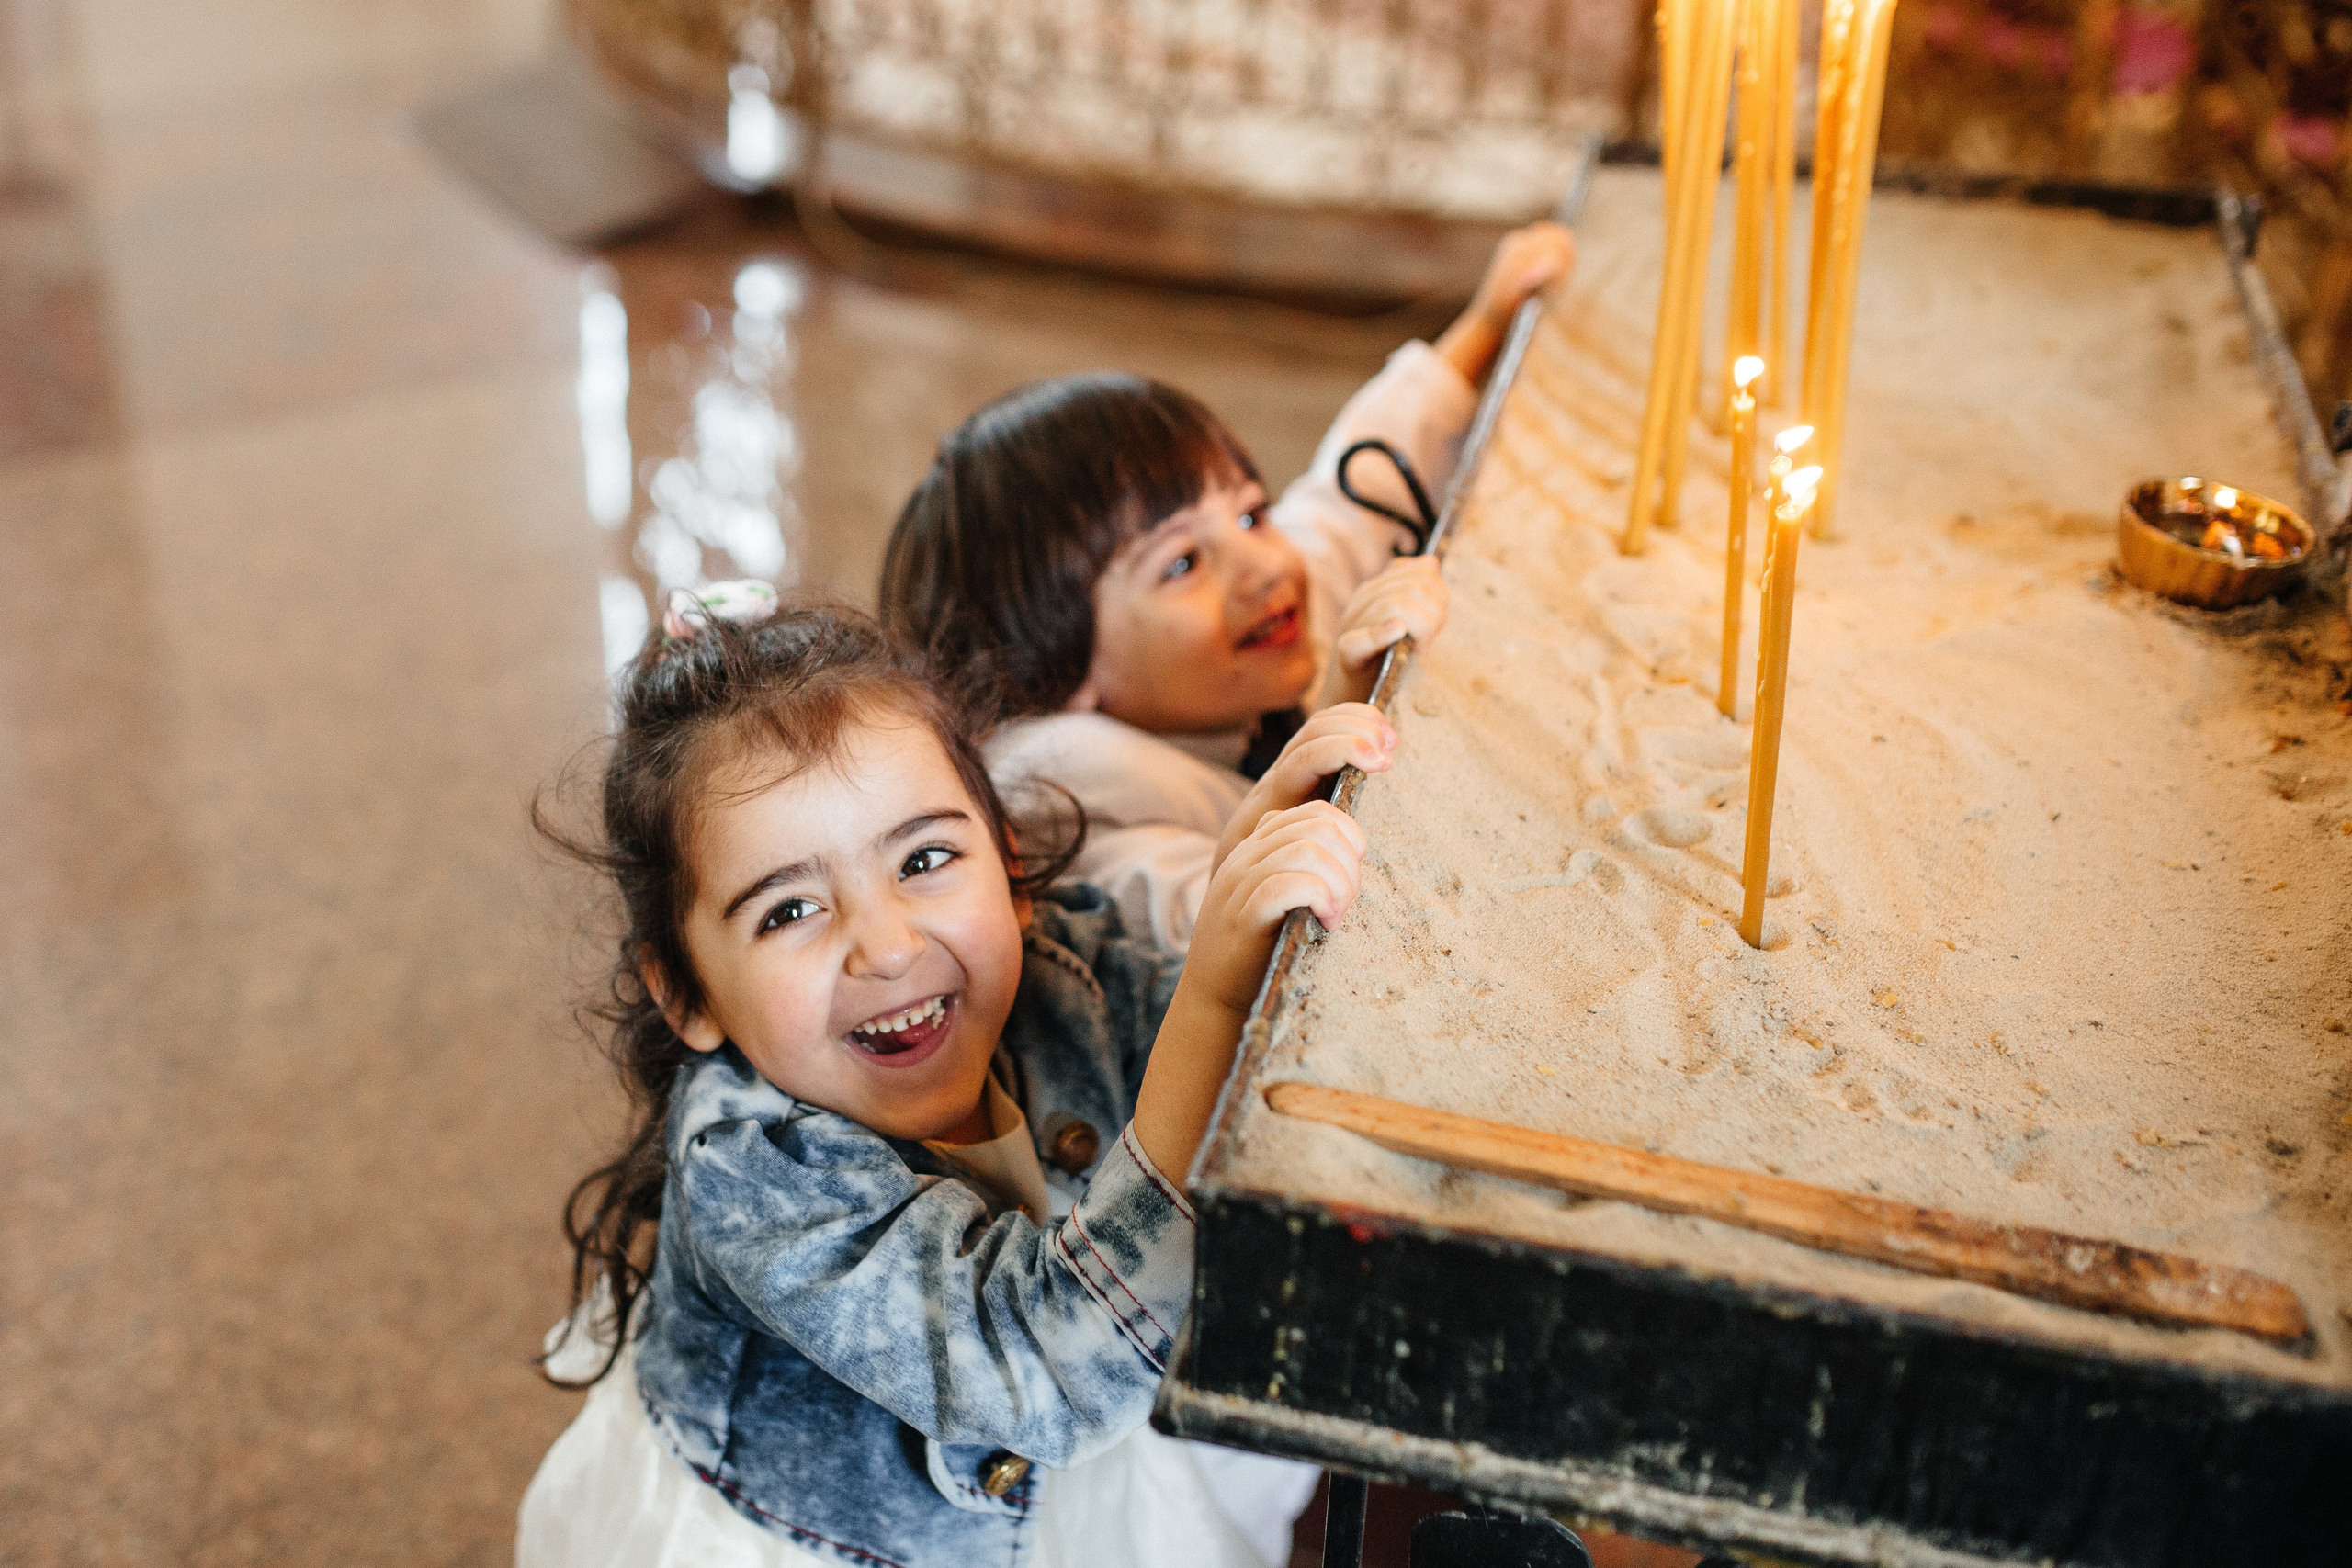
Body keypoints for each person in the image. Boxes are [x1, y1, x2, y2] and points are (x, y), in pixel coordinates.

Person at [516, 590, 1372, 1568]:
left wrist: (1330, 782)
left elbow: (1265, 1077)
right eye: (789, 911)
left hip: (1053, 1483)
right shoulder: (755, 1172)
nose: (887, 947)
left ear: (1008, 865)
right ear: (686, 994)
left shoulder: (1064, 969)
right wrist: (1213, 1002)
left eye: (924, 858)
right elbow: (1042, 1367)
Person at [879, 223, 1575, 953]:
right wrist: (1342, 705)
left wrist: (1485, 323)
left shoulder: (1243, 644)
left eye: (1249, 513)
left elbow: (1348, 503)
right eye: (1182, 563)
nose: (1263, 565)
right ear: (1058, 667)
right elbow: (1244, 930)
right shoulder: (1083, 826)